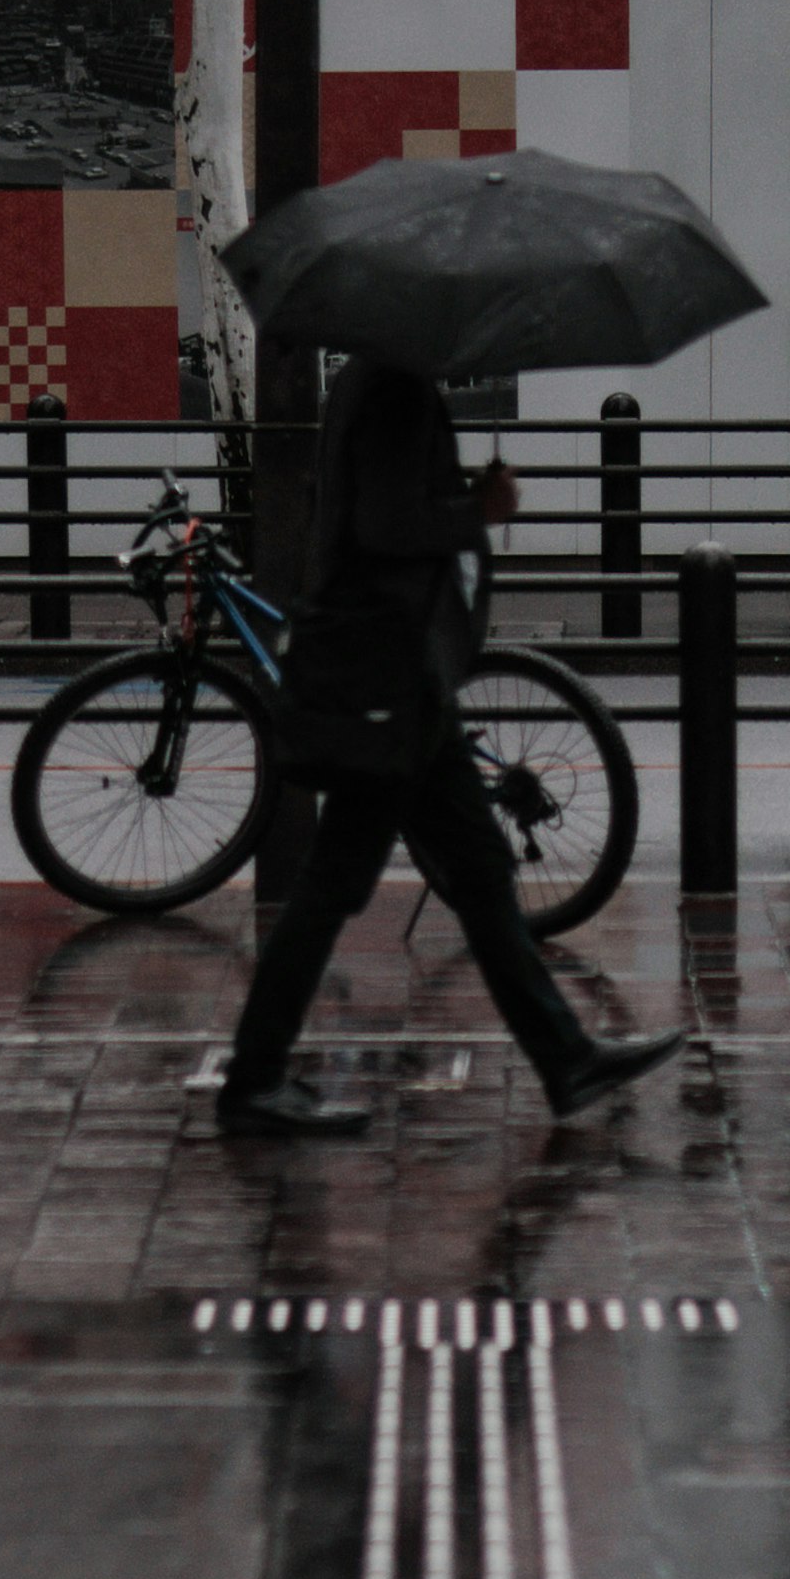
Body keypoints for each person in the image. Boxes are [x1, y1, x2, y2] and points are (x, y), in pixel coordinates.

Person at [216, 348, 681, 1141]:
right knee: (336, 885)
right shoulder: (395, 384)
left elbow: (380, 509)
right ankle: (254, 1079)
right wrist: (480, 509)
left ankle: (566, 1056)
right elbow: (387, 525)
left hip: (405, 684)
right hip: (386, 680)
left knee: (481, 872)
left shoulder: (378, 376)